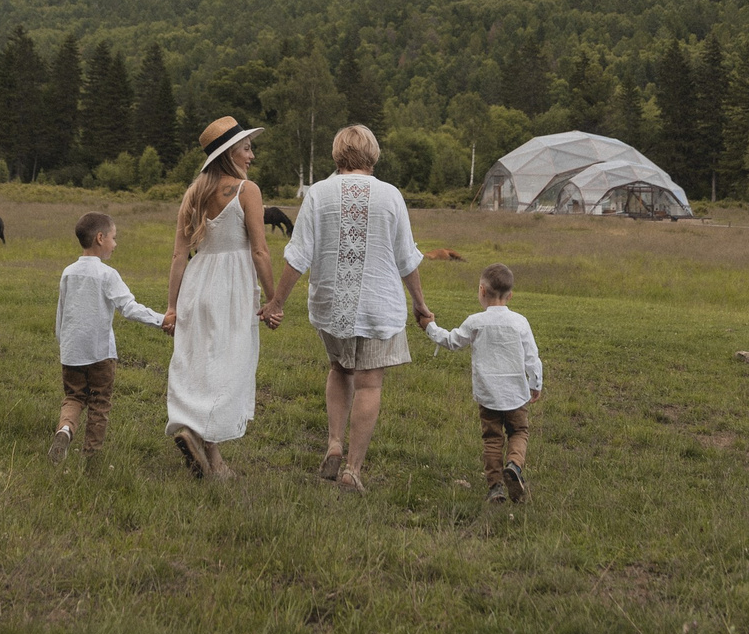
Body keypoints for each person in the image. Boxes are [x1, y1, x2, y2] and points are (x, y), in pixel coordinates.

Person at [262, 123, 432, 495]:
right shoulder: (390, 196)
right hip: (378, 304)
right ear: (372, 153)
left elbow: (298, 254)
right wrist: (420, 304)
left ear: (338, 153)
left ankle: (334, 444)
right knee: (369, 381)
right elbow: (407, 258)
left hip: (331, 304)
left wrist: (277, 302)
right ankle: (352, 471)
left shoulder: (319, 193)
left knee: (339, 368)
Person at [163, 117, 277, 480]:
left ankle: (209, 454)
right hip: (232, 287)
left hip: (198, 284)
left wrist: (171, 306)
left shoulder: (193, 193)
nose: (251, 155)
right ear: (230, 153)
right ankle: (203, 437)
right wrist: (274, 300)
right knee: (230, 364)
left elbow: (179, 256)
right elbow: (260, 251)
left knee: (200, 361)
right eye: (246, 148)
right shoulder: (247, 190)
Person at [51, 211, 168, 473]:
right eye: (114, 238)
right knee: (99, 403)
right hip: (100, 353)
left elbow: (61, 311)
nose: (116, 244)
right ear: (100, 238)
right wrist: (163, 320)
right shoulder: (107, 275)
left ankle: (66, 430)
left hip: (71, 352)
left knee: (73, 397)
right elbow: (129, 308)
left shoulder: (68, 272)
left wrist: (63, 343)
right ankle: (90, 460)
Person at [426, 263, 544, 504]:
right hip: (516, 394)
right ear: (510, 295)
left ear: (481, 290)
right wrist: (536, 383)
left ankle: (496, 488)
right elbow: (532, 356)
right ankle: (514, 465)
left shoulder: (475, 322)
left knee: (492, 439)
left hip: (488, 394)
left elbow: (452, 341)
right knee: (519, 432)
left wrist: (429, 327)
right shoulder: (520, 322)